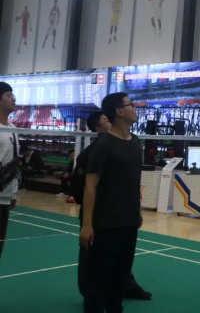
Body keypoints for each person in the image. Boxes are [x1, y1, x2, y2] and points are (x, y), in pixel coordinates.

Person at [74, 111, 151, 301]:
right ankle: (89, 294)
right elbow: (81, 188)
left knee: (122, 259)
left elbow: (132, 183)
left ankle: (127, 286)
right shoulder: (92, 152)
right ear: (99, 128)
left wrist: (136, 210)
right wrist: (88, 220)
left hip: (124, 216)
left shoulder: (132, 143)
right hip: (100, 217)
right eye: (106, 120)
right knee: (91, 261)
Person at [0, 82, 19, 264]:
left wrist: (13, 194)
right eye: (8, 95)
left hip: (4, 198)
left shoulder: (13, 129)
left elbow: (13, 164)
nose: (13, 99)